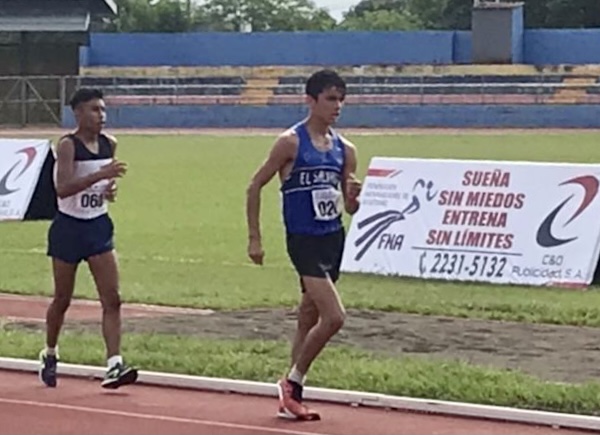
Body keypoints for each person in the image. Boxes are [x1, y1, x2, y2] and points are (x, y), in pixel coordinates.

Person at [245, 69, 362, 421]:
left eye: (341, 99)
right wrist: (255, 238)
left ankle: (290, 399)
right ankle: (292, 382)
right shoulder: (291, 143)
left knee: (308, 316)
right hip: (304, 240)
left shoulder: (346, 150)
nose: (337, 106)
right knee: (334, 317)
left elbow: (349, 206)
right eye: (330, 98)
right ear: (310, 100)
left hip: (332, 238)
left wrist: (355, 198)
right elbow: (254, 186)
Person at [39, 88, 138, 390]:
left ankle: (114, 364)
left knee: (112, 299)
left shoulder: (110, 144)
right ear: (78, 113)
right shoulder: (68, 145)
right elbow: (63, 188)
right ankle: (50, 352)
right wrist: (99, 176)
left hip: (98, 227)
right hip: (69, 228)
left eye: (103, 110)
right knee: (62, 299)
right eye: (95, 110)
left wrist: (108, 189)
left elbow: (104, 181)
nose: (102, 116)